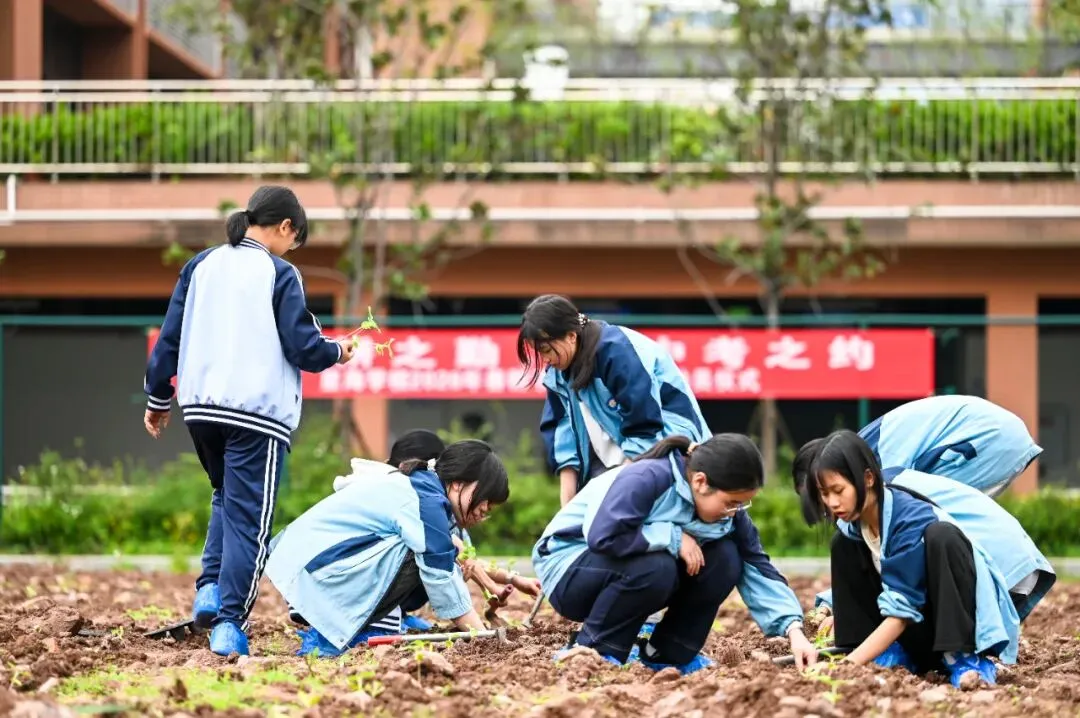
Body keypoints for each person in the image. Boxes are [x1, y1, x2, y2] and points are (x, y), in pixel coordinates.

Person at [143, 185, 355, 657]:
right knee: (250, 521)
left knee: (225, 498)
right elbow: (304, 348)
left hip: (200, 409)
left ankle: (210, 589)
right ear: (285, 228)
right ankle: (229, 622)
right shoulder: (280, 272)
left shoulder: (200, 265)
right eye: (294, 239)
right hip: (257, 416)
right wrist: (339, 351)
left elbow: (170, 337)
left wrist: (159, 398)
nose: (292, 249)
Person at [532, 433, 818, 675]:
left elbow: (757, 566)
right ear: (700, 482)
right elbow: (604, 534)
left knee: (727, 559)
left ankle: (669, 655)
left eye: (742, 505)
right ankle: (592, 650)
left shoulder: (730, 517)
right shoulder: (649, 477)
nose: (734, 512)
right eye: (731, 503)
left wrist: (794, 631)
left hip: (628, 567)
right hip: (569, 568)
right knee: (656, 568)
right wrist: (672, 536)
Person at [802, 430, 1049, 688]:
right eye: (824, 493)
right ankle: (887, 654)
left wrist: (847, 667)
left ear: (868, 478)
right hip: (913, 634)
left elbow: (901, 614)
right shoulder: (855, 529)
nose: (831, 502)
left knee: (942, 536)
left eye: (838, 490)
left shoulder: (910, 520)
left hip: (947, 627)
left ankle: (963, 659)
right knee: (842, 544)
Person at [793, 395, 1051, 615]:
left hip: (985, 439)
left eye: (827, 492)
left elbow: (896, 539)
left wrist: (838, 603)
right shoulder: (859, 457)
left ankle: (981, 602)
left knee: (933, 527)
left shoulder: (880, 462)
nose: (828, 505)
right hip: (996, 435)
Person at [264, 440, 510, 657]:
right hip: (319, 575)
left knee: (439, 551)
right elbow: (439, 575)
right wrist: (479, 636)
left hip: (314, 572)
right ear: (458, 483)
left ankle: (352, 628)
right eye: (486, 498)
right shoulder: (425, 500)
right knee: (424, 554)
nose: (486, 509)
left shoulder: (422, 488)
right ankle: (333, 635)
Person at [519, 295, 710, 507]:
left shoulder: (618, 351)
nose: (545, 359)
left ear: (571, 336)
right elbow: (563, 434)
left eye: (546, 350)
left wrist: (619, 491)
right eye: (539, 353)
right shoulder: (558, 373)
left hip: (669, 449)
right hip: (612, 464)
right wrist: (568, 507)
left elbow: (644, 424)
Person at [792, 395, 1042, 499]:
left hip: (989, 441)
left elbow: (893, 520)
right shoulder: (862, 450)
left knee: (925, 519)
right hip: (1000, 439)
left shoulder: (881, 453)